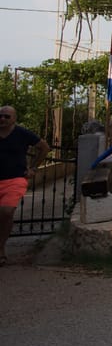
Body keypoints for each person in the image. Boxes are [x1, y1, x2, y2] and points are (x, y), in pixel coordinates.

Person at [0, 105, 49, 266]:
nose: (3, 119)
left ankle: (1, 249)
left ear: (14, 118)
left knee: (6, 212)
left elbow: (44, 147)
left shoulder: (22, 133)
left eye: (7, 116)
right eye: (1, 116)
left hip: (15, 179)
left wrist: (34, 167)